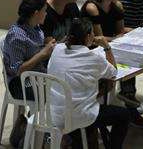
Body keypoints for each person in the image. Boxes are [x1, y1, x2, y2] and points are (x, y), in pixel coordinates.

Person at [47, 18, 131, 148]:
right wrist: (107, 47)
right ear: (87, 37)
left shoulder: (57, 50)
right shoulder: (93, 58)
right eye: (92, 33)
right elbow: (113, 72)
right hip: (77, 116)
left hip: (53, 111)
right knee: (124, 115)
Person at [2, 0, 55, 144]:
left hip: (36, 76)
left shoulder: (36, 28)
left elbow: (35, 49)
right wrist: (43, 53)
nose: (46, 13)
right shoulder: (17, 36)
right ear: (36, 13)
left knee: (58, 85)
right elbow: (18, 69)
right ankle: (37, 135)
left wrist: (46, 44)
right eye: (44, 10)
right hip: (20, 83)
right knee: (54, 92)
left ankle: (39, 132)